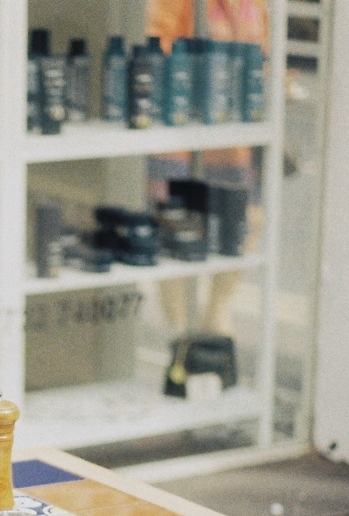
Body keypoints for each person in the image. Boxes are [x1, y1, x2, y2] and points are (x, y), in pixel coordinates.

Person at [147, 0, 268, 338]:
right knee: (178, 230)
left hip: (234, 141)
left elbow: (262, 55)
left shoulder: (253, 3)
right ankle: (179, 334)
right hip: (180, 139)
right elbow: (158, 44)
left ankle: (215, 318)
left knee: (244, 225)